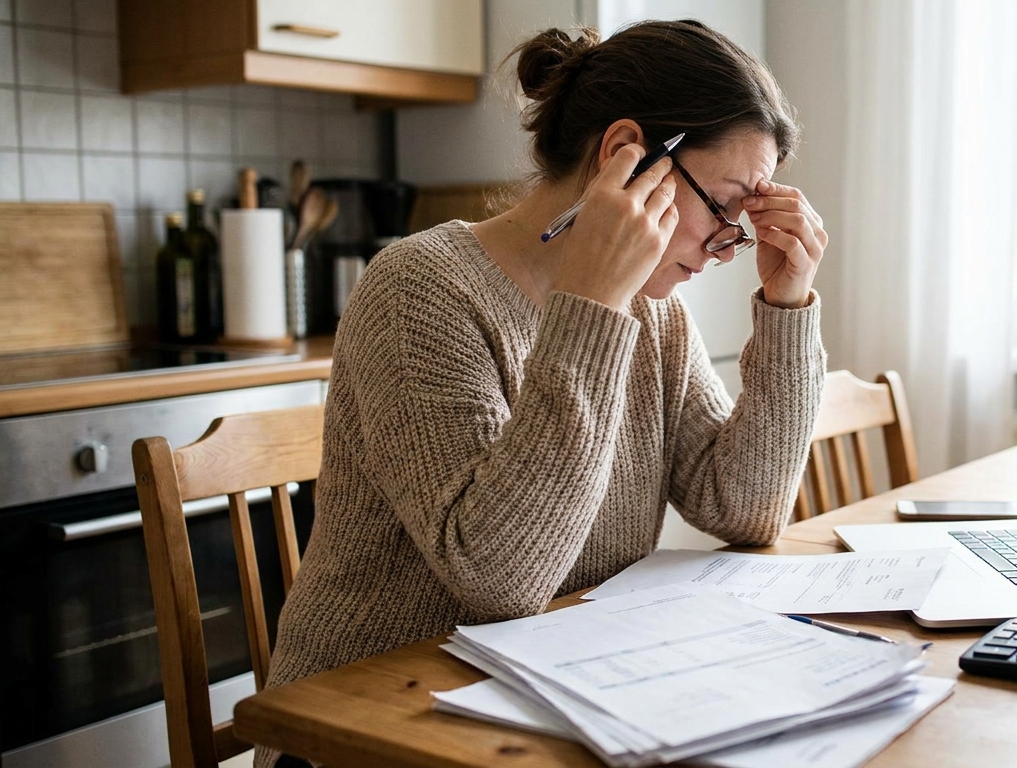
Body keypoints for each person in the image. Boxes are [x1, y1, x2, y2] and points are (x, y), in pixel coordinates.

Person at [258, 18, 828, 766]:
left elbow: (743, 507)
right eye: (723, 208)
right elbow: (499, 576)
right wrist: (592, 303)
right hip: (371, 723)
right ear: (625, 156)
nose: (728, 247)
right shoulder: (420, 290)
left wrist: (787, 310)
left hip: (545, 702)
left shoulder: (654, 315)